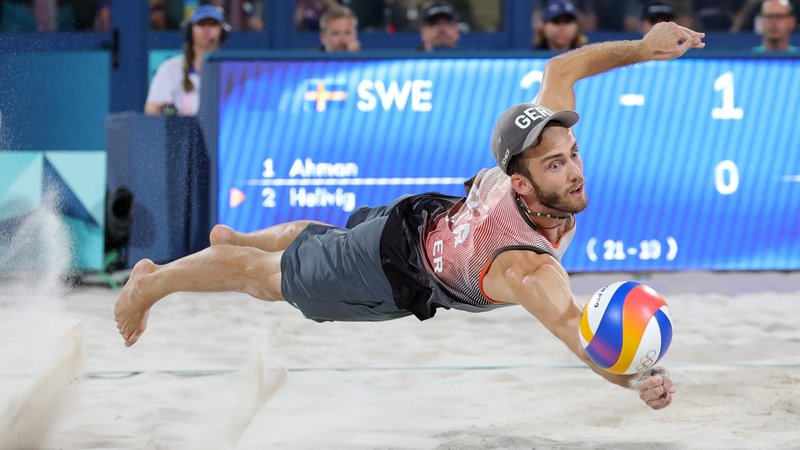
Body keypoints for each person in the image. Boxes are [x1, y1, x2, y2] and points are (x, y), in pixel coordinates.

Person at [116, 22, 705, 410]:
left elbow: (561, 71)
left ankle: (242, 238)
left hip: (420, 219)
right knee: (263, 281)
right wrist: (634, 379)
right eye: (557, 165)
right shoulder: (529, 269)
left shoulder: (530, 165)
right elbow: (580, 336)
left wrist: (642, 48)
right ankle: (152, 282)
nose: (575, 170)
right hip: (393, 271)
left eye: (573, 155)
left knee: (310, 239)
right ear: (522, 180)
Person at [144, 5, 230, 116]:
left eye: (213, 24)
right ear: (190, 30)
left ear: (222, 32)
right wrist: (170, 113)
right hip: (181, 131)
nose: (207, 30)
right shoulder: (170, 68)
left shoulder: (229, 70)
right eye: (201, 24)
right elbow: (151, 108)